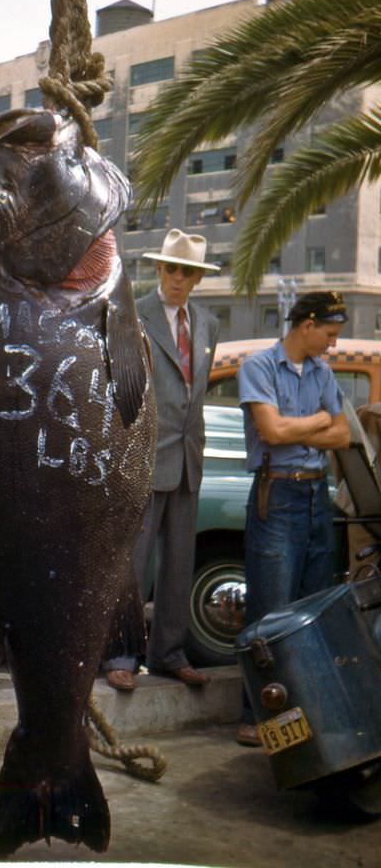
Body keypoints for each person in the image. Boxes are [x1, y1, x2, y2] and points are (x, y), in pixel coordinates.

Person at [105, 228, 220, 691]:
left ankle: (169, 652)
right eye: (172, 268)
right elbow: (119, 388)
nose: (178, 277)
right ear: (158, 269)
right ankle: (120, 653)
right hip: (144, 457)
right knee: (134, 560)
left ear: (197, 278)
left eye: (188, 271)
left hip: (189, 459)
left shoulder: (208, 323)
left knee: (179, 562)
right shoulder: (134, 315)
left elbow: (194, 393)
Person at [236, 291, 350, 746]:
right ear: (307, 325)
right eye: (329, 333)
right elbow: (272, 431)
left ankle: (303, 714)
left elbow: (342, 435)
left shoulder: (322, 371)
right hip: (277, 491)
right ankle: (256, 716)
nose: (333, 345)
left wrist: (306, 425)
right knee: (269, 609)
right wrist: (319, 419)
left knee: (311, 607)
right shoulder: (259, 367)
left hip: (314, 494)